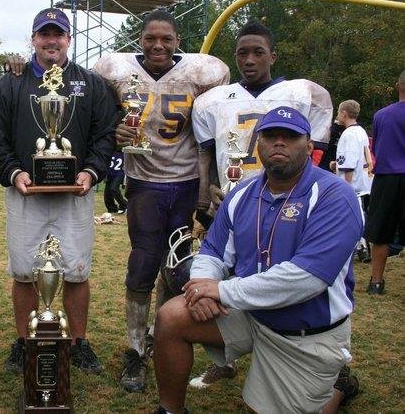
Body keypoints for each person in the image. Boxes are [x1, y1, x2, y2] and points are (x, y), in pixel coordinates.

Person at [153, 106, 361, 414]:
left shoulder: (335, 196)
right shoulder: (243, 192)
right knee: (171, 317)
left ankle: (339, 386)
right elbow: (212, 250)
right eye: (270, 136)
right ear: (257, 144)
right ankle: (170, 410)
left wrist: (221, 291)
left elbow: (306, 279)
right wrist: (202, 284)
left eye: (290, 137)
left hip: (303, 331)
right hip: (253, 315)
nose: (279, 143)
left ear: (310, 147)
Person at [91, 9, 229, 392]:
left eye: (166, 39)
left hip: (184, 183)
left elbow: (210, 134)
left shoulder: (202, 74)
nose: (158, 45)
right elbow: (103, 122)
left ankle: (160, 333)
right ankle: (135, 349)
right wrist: (115, 158)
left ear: (178, 42)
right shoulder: (115, 71)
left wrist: (206, 189)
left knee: (178, 266)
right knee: (143, 262)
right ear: (140, 39)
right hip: (144, 181)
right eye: (151, 37)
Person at [189, 20, 332, 386]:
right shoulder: (214, 100)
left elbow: (315, 153)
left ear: (273, 55)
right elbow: (205, 153)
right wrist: (206, 193)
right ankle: (223, 359)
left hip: (286, 202)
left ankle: (307, 356)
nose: (249, 60)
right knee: (225, 273)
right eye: (241, 53)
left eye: (257, 52)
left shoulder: (303, 94)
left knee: (286, 276)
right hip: (233, 203)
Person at [0, 7, 116, 375]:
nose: (51, 40)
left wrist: (91, 171)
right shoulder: (11, 83)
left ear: (69, 39)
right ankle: (25, 341)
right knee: (25, 271)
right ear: (33, 39)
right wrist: (12, 172)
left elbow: (106, 133)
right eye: (44, 34)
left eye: (58, 34)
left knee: (76, 270)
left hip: (76, 194)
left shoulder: (89, 83)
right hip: (26, 193)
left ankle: (78, 342)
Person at [364, 70, 405, 295]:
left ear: (398, 86)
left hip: (387, 176)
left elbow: (376, 147)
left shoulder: (382, 115)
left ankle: (376, 282)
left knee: (381, 232)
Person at [332, 99, 372, 262]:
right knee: (358, 215)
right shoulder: (360, 131)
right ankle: (361, 246)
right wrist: (336, 164)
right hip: (361, 181)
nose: (337, 116)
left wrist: (346, 187)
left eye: (338, 112)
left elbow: (348, 164)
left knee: (350, 217)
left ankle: (360, 247)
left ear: (344, 113)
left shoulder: (348, 134)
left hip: (351, 184)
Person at [104, 149, 127, 214]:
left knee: (113, 189)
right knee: (107, 193)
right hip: (110, 173)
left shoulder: (124, 152)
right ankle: (112, 208)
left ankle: (124, 205)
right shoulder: (110, 150)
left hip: (119, 173)